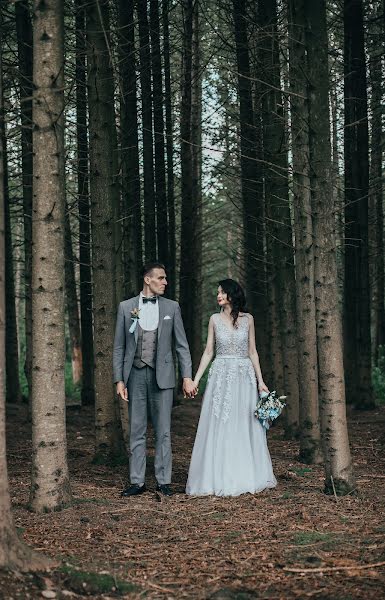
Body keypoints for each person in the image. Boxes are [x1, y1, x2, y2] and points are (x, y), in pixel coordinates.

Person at [186, 279, 277, 497]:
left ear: (232, 295)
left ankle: (246, 473)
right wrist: (196, 379)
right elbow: (209, 352)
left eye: (222, 292)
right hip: (221, 374)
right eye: (217, 292)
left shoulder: (248, 320)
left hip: (244, 375)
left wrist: (260, 380)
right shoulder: (214, 319)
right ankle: (218, 475)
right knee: (220, 422)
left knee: (244, 422)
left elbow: (252, 351)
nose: (218, 295)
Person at [113, 262, 197, 497]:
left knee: (163, 431)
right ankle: (137, 481)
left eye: (165, 278)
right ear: (147, 280)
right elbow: (119, 347)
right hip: (135, 376)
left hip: (164, 377)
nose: (165, 282)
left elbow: (182, 345)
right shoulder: (125, 307)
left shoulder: (172, 307)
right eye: (160, 278)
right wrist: (119, 379)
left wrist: (187, 376)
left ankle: (163, 481)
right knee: (136, 430)